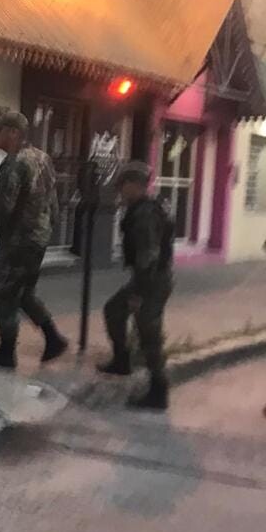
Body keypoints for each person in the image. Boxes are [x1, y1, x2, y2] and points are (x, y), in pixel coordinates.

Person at [0, 110, 69, 369]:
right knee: (24, 294)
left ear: (13, 133)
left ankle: (7, 352)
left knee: (4, 293)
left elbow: (5, 206)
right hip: (38, 238)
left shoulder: (13, 163)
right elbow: (53, 201)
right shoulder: (42, 158)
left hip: (17, 242)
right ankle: (53, 338)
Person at [98, 160, 174, 410]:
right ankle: (122, 361)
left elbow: (148, 255)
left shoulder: (145, 214)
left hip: (151, 281)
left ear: (134, 185)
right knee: (114, 311)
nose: (120, 191)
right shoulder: (144, 208)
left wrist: (139, 293)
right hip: (150, 278)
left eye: (122, 185)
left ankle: (158, 392)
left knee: (149, 336)